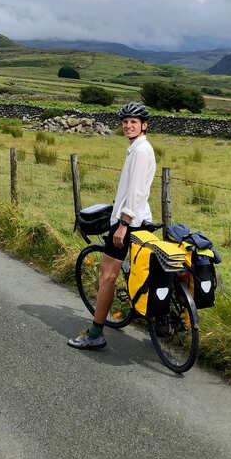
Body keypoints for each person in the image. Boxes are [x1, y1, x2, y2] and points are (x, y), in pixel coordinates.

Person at [68, 102, 155, 350]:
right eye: (125, 122)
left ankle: (95, 333)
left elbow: (137, 191)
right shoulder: (139, 148)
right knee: (136, 271)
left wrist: (123, 224)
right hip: (139, 219)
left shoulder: (140, 151)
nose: (128, 126)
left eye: (133, 122)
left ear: (144, 126)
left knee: (107, 277)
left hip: (130, 222)